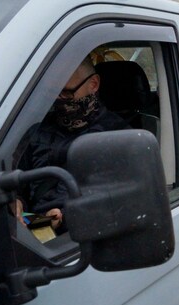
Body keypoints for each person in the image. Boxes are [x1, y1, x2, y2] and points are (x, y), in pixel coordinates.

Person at [13, 56, 129, 230]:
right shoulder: (37, 131)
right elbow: (15, 181)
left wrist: (64, 219)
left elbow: (119, 207)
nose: (59, 100)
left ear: (94, 84)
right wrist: (15, 202)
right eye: (54, 92)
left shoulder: (120, 137)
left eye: (67, 92)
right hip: (29, 232)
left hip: (80, 238)